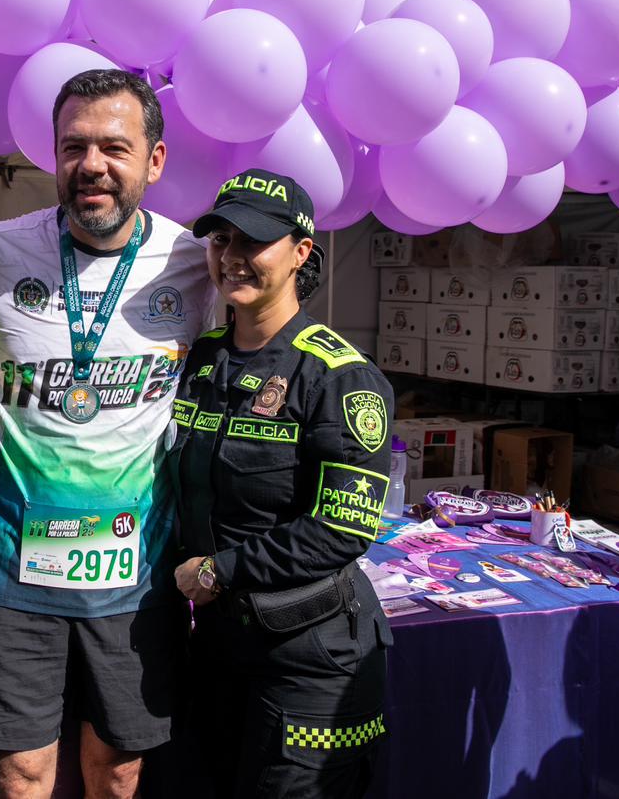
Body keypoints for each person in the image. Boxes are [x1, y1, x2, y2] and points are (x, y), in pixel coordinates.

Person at [0, 69, 217, 798]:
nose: (92, 166)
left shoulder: (195, 264)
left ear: (154, 162)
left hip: (135, 575)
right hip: (14, 569)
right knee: (20, 774)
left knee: (119, 770)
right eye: (74, 147)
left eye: (114, 148)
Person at [170, 170, 394, 798]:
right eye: (221, 240)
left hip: (310, 655)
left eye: (255, 242)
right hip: (219, 646)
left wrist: (219, 571)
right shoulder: (200, 358)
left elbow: (340, 529)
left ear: (301, 252)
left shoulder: (339, 376)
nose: (233, 258)